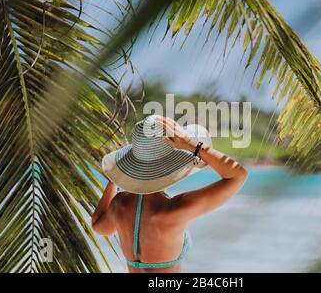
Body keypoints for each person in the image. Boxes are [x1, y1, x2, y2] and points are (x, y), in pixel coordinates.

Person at [92, 115, 248, 273]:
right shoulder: (174, 209)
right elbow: (237, 175)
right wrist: (189, 144)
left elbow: (100, 226)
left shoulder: (120, 203)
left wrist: (116, 178)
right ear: (171, 163)